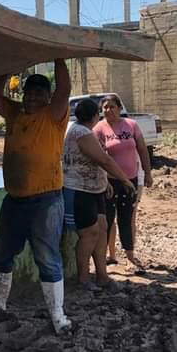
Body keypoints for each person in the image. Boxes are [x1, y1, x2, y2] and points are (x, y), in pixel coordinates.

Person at [0, 61, 73, 333]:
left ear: (47, 97)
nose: (33, 97)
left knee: (47, 257)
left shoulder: (53, 115)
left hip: (46, 200)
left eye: (40, 93)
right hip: (15, 199)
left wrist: (59, 57)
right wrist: (9, 66)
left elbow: (64, 90)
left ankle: (57, 315)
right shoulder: (14, 113)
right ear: (23, 94)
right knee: (2, 251)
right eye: (29, 92)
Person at [63, 98, 136, 286]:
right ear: (96, 115)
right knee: (89, 233)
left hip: (95, 188)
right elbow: (104, 160)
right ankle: (84, 278)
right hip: (80, 189)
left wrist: (105, 181)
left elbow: (98, 162)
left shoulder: (85, 131)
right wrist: (124, 180)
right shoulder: (80, 132)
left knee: (102, 228)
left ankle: (102, 275)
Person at [95, 95, 153, 268]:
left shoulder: (131, 125)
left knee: (126, 218)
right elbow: (97, 158)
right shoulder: (99, 129)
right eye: (105, 107)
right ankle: (105, 257)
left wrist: (148, 173)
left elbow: (142, 150)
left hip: (131, 180)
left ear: (120, 108)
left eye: (112, 107)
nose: (108, 110)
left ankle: (130, 256)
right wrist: (104, 181)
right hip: (110, 183)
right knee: (107, 220)